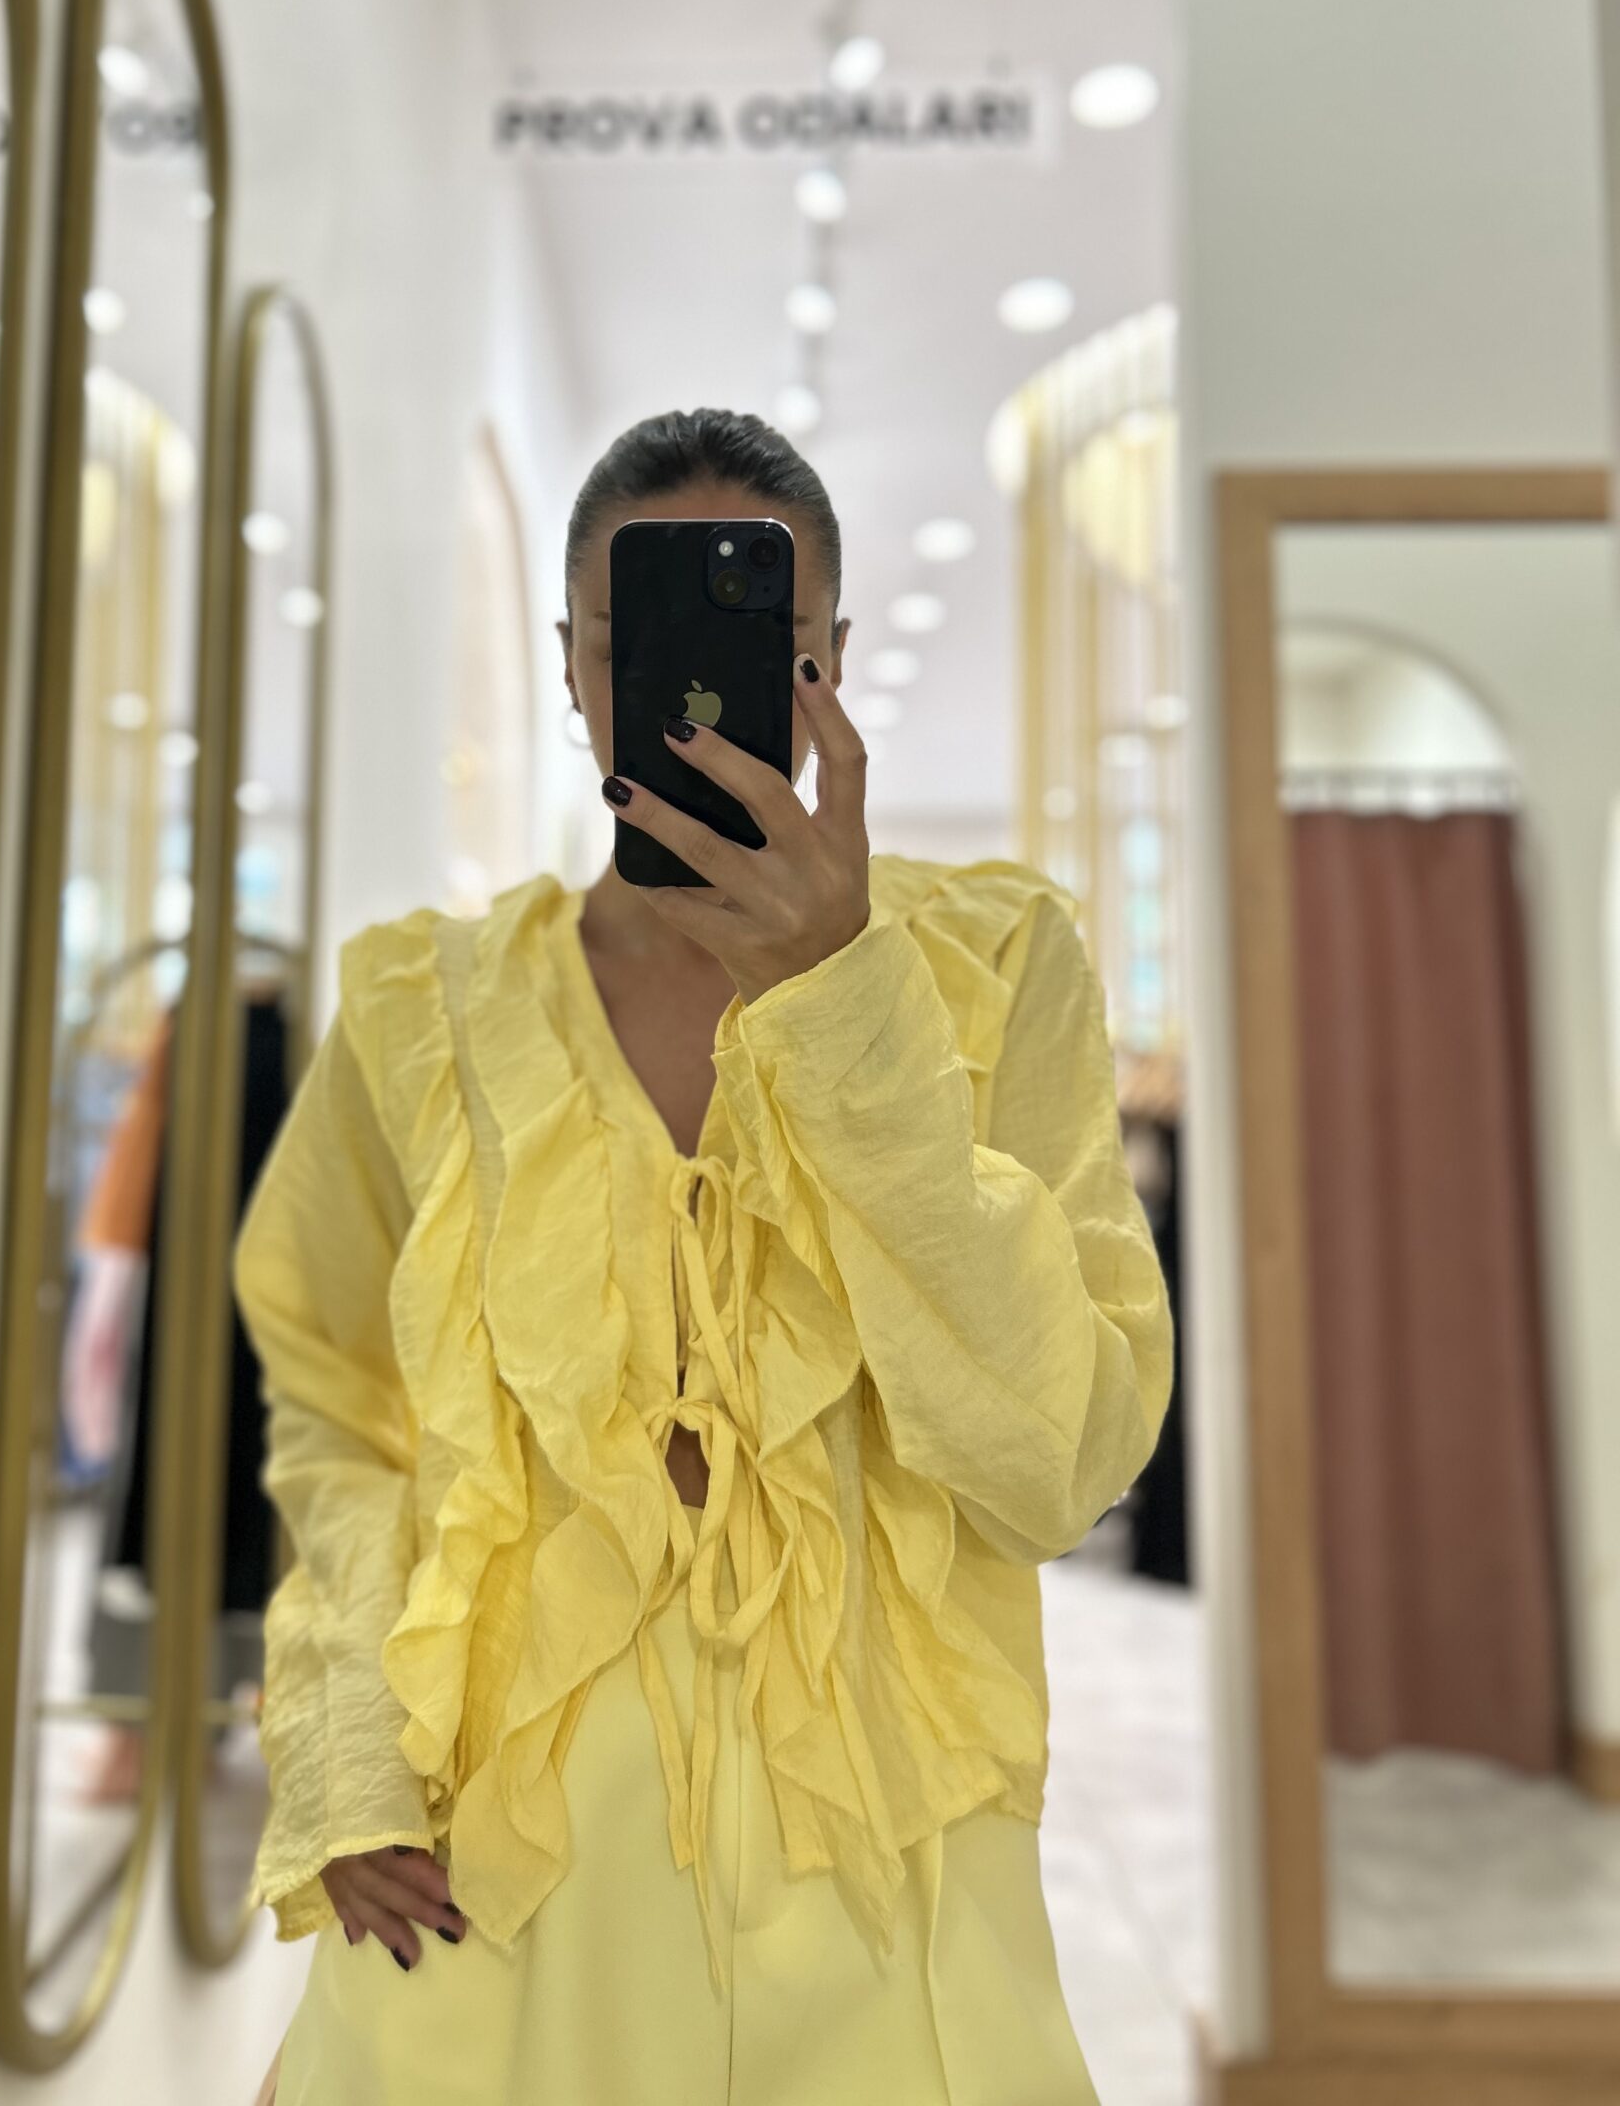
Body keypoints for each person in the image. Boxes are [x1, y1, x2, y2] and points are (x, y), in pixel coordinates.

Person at [235, 409, 1173, 2106]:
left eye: (765, 637)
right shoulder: (417, 1007)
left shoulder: (994, 963)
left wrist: (844, 1008)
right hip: (489, 1855)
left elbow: (1061, 1461)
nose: (682, 692)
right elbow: (335, 1412)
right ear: (571, 664)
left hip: (883, 1853)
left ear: (828, 663)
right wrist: (345, 1741)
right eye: (630, 637)